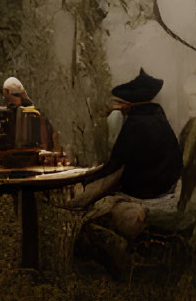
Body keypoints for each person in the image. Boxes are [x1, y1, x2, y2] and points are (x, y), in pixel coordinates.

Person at [68, 70, 183, 242]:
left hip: (146, 190)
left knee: (97, 205)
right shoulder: (158, 117)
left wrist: (86, 181)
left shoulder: (136, 124)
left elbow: (115, 164)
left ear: (129, 104)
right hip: (165, 187)